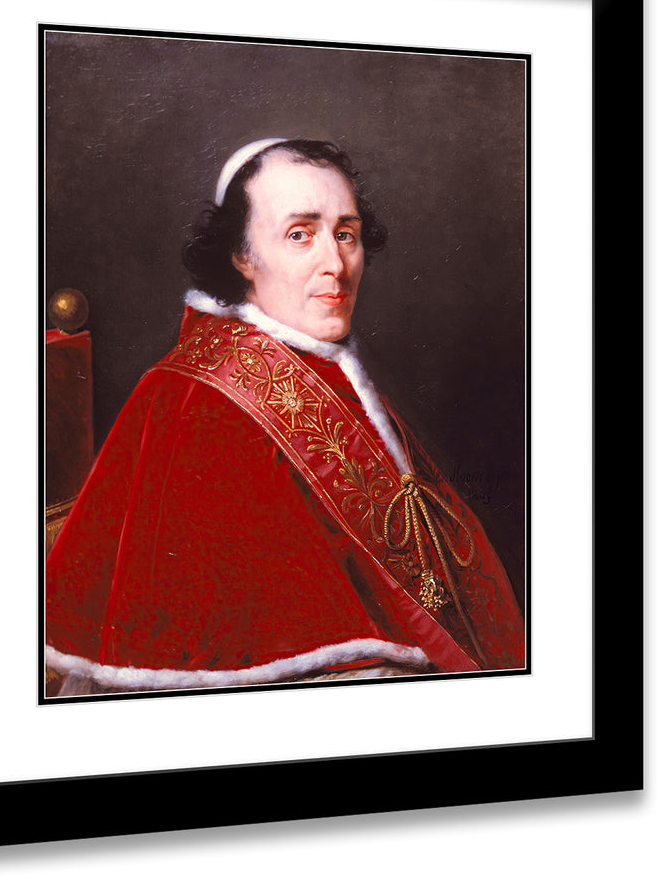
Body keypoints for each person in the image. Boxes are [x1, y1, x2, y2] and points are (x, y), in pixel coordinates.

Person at [45, 138, 524, 696]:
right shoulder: (199, 401)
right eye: (300, 235)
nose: (335, 265)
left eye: (346, 234)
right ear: (243, 257)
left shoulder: (323, 367)